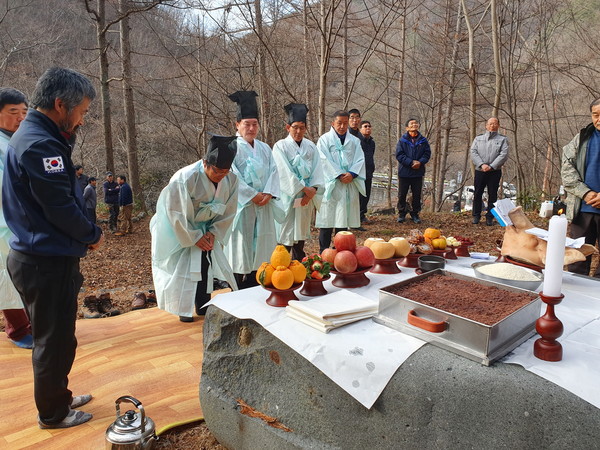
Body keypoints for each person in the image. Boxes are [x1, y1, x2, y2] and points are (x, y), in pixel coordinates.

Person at [3, 67, 103, 428]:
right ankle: (53, 413)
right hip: (44, 260)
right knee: (53, 341)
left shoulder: (41, 135)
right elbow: (59, 207)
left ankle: (58, 396)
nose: (83, 118)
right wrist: (92, 234)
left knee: (59, 338)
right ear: (61, 104)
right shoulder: (41, 144)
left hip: (44, 255)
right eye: (82, 111)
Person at [151, 135, 239, 322]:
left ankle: (203, 304)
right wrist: (194, 237)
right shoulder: (185, 178)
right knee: (183, 268)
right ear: (205, 163)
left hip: (207, 228)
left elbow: (229, 210)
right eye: (217, 171)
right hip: (178, 228)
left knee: (204, 264)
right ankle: (182, 308)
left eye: (226, 171)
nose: (222, 175)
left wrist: (213, 233)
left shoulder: (231, 179)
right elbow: (175, 212)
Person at [224, 91, 282, 289]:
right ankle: (236, 286)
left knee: (262, 246)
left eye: (254, 124)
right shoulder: (231, 147)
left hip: (264, 203)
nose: (251, 128)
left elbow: (274, 171)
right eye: (246, 124)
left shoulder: (265, 148)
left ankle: (257, 281)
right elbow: (231, 175)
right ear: (237, 124)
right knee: (241, 246)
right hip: (244, 207)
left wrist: (268, 193)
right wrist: (252, 195)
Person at [0, 87, 33, 349]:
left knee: (22, 273)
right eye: (13, 112)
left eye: (24, 112)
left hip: (21, 219)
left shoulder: (19, 139)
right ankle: (18, 328)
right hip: (3, 221)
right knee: (7, 273)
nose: (20, 118)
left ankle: (30, 323)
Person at [272, 103, 324, 261]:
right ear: (288, 127)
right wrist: (303, 188)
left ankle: (299, 266)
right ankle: (279, 266)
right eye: (295, 127)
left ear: (306, 128)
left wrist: (313, 190)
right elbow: (283, 172)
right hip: (288, 197)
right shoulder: (280, 146)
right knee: (284, 235)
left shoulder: (311, 146)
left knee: (300, 236)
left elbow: (317, 170)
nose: (298, 131)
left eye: (302, 127)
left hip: (305, 198)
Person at [315, 110, 365, 252]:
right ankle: (323, 251)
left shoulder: (354, 141)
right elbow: (322, 159)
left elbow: (360, 159)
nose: (342, 126)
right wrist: (338, 174)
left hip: (348, 184)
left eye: (345, 123)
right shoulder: (324, 140)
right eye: (339, 123)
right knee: (327, 219)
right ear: (333, 123)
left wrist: (352, 174)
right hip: (331, 184)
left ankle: (340, 251)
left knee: (343, 219)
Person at [561, 97, 600, 277]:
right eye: (595, 115)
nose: (598, 119)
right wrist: (584, 193)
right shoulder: (582, 137)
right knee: (577, 260)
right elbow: (567, 166)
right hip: (582, 209)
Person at [470, 117, 509, 226]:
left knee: (493, 194)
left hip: (494, 171)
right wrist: (482, 165)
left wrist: (491, 166)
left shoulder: (502, 139)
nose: (492, 126)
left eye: (495, 124)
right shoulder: (478, 139)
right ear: (486, 126)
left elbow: (504, 154)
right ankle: (476, 215)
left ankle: (490, 217)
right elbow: (473, 152)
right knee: (477, 193)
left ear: (498, 126)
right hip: (480, 170)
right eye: (490, 124)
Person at [395, 118, 431, 224]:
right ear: (407, 128)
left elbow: (427, 154)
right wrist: (411, 162)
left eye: (416, 123)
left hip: (418, 172)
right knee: (402, 194)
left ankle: (415, 213)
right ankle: (401, 213)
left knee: (417, 194)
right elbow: (399, 155)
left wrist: (420, 162)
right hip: (404, 172)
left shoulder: (423, 141)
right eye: (411, 123)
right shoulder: (402, 141)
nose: (414, 124)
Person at [359, 120, 375, 223]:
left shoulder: (372, 142)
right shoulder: (357, 141)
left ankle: (362, 215)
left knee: (366, 195)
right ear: (360, 129)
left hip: (369, 172)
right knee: (359, 196)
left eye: (369, 126)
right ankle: (356, 216)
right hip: (359, 173)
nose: (368, 128)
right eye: (365, 126)